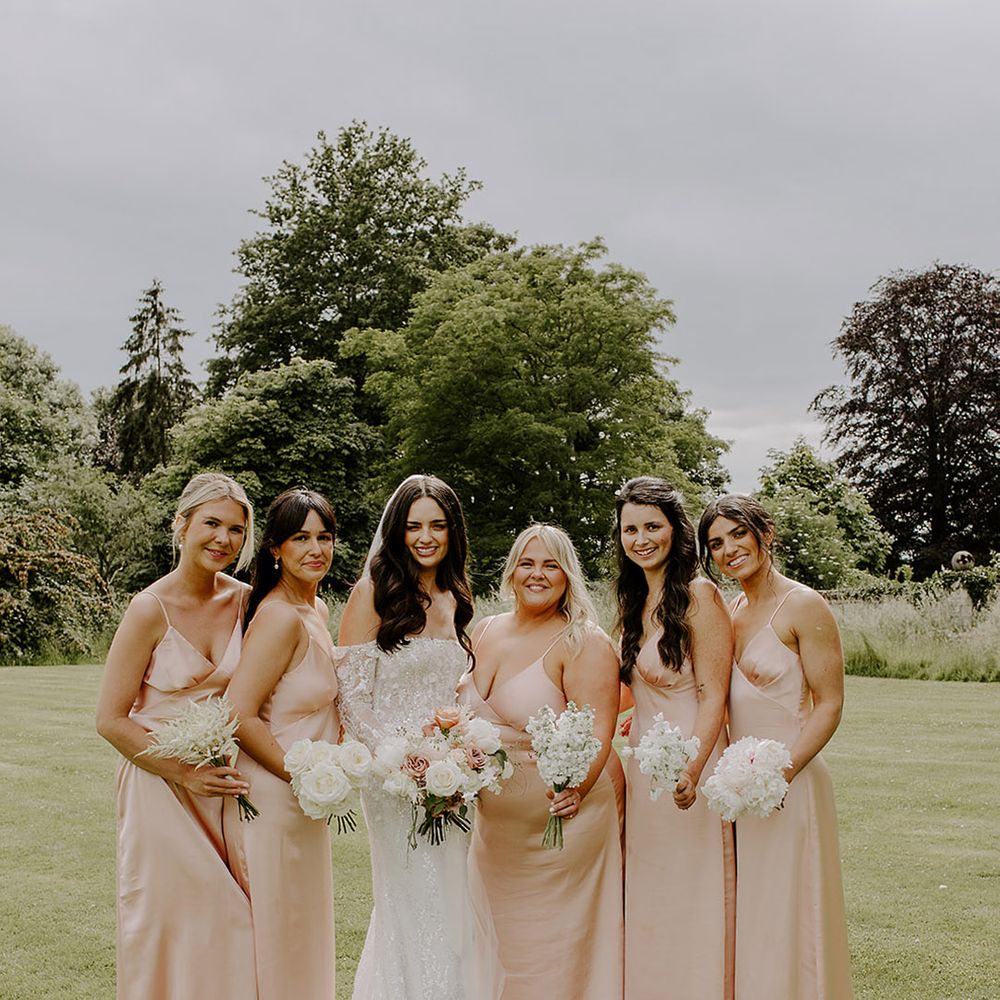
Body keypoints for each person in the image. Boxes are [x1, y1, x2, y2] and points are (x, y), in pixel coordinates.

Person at [337, 474, 500, 1000]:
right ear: (396, 531)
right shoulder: (373, 593)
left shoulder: (457, 596)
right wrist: (401, 759)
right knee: (410, 893)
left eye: (437, 525)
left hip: (453, 777)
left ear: (453, 531)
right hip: (393, 780)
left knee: (454, 893)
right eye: (413, 526)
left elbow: (457, 691)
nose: (425, 536)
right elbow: (352, 696)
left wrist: (463, 751)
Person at [95, 472, 257, 1000]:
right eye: (211, 524)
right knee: (168, 925)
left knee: (235, 922)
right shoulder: (149, 608)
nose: (223, 540)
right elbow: (110, 719)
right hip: (160, 787)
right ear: (181, 525)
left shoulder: (249, 602)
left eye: (236, 530)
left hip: (228, 786)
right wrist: (185, 773)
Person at [458, 523, 624, 1000]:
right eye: (528, 563)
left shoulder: (583, 642)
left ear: (568, 575)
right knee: (499, 952)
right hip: (494, 835)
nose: (538, 574)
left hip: (561, 834)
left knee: (554, 953)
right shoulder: (486, 629)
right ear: (511, 572)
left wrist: (576, 788)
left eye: (551, 564)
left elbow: (597, 731)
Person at [698, 494, 853, 1000]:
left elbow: (829, 705)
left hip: (792, 782)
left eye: (737, 534)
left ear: (765, 533)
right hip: (740, 791)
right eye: (716, 543)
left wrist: (779, 775)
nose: (728, 549)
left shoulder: (804, 605)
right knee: (755, 911)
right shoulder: (733, 609)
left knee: (794, 905)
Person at [614, 477, 735, 1000]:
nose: (641, 539)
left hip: (693, 771)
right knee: (651, 894)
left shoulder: (700, 596)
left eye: (652, 527)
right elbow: (627, 692)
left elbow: (714, 697)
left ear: (674, 530)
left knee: (693, 892)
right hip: (645, 777)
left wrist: (692, 770)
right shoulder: (635, 598)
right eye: (630, 529)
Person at [223, 488, 340, 999]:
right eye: (300, 538)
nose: (315, 549)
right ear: (275, 548)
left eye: (324, 537)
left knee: (300, 932)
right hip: (274, 797)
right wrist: (302, 774)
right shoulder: (279, 617)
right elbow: (238, 714)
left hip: (307, 804)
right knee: (278, 934)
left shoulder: (316, 609)